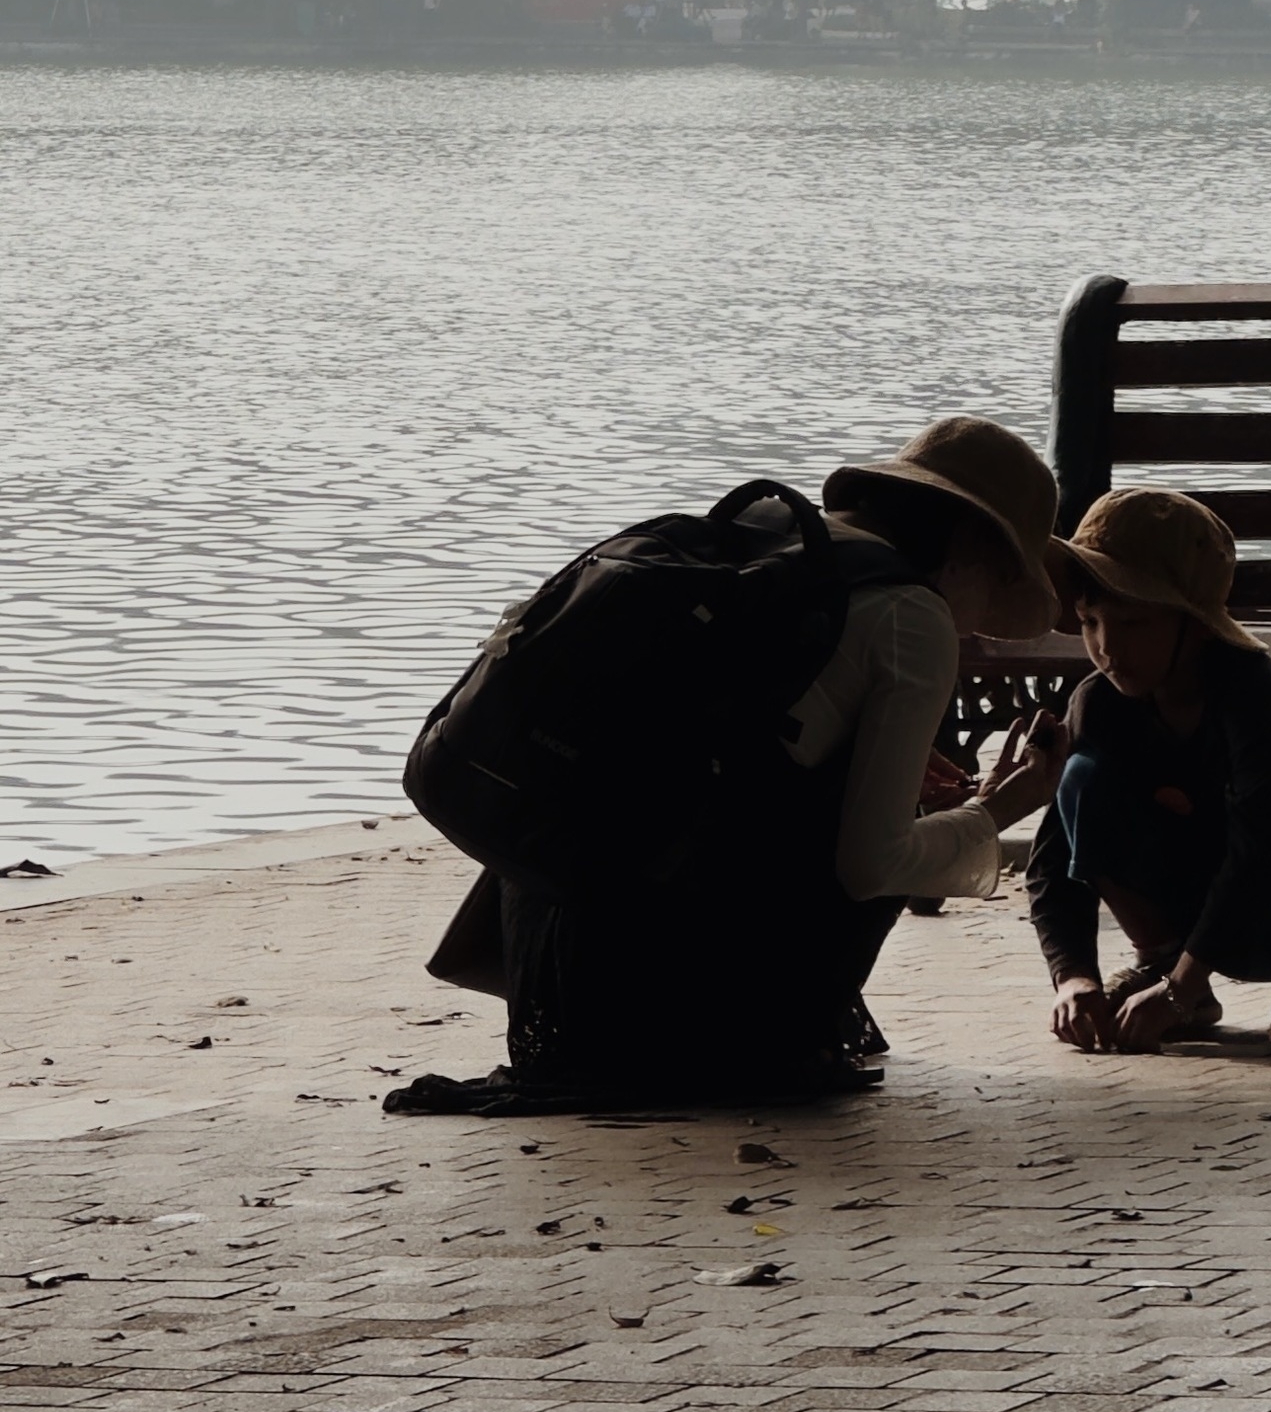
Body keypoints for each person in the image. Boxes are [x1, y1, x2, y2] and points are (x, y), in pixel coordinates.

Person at [407, 418, 1064, 1113]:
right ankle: (778, 1037)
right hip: (692, 1019)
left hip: (551, 989)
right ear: (970, 544)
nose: (976, 622)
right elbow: (871, 864)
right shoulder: (913, 614)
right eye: (998, 582)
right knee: (886, 843)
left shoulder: (762, 534)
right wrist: (995, 811)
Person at [1027, 488, 1271, 1055]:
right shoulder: (1099, 704)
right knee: (1081, 777)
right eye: (1090, 622)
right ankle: (1159, 954)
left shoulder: (1263, 709)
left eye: (1133, 624)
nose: (1107, 649)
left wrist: (1182, 988)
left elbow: (1259, 852)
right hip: (1201, 898)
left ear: (1195, 624)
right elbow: (1056, 850)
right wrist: (1074, 975)